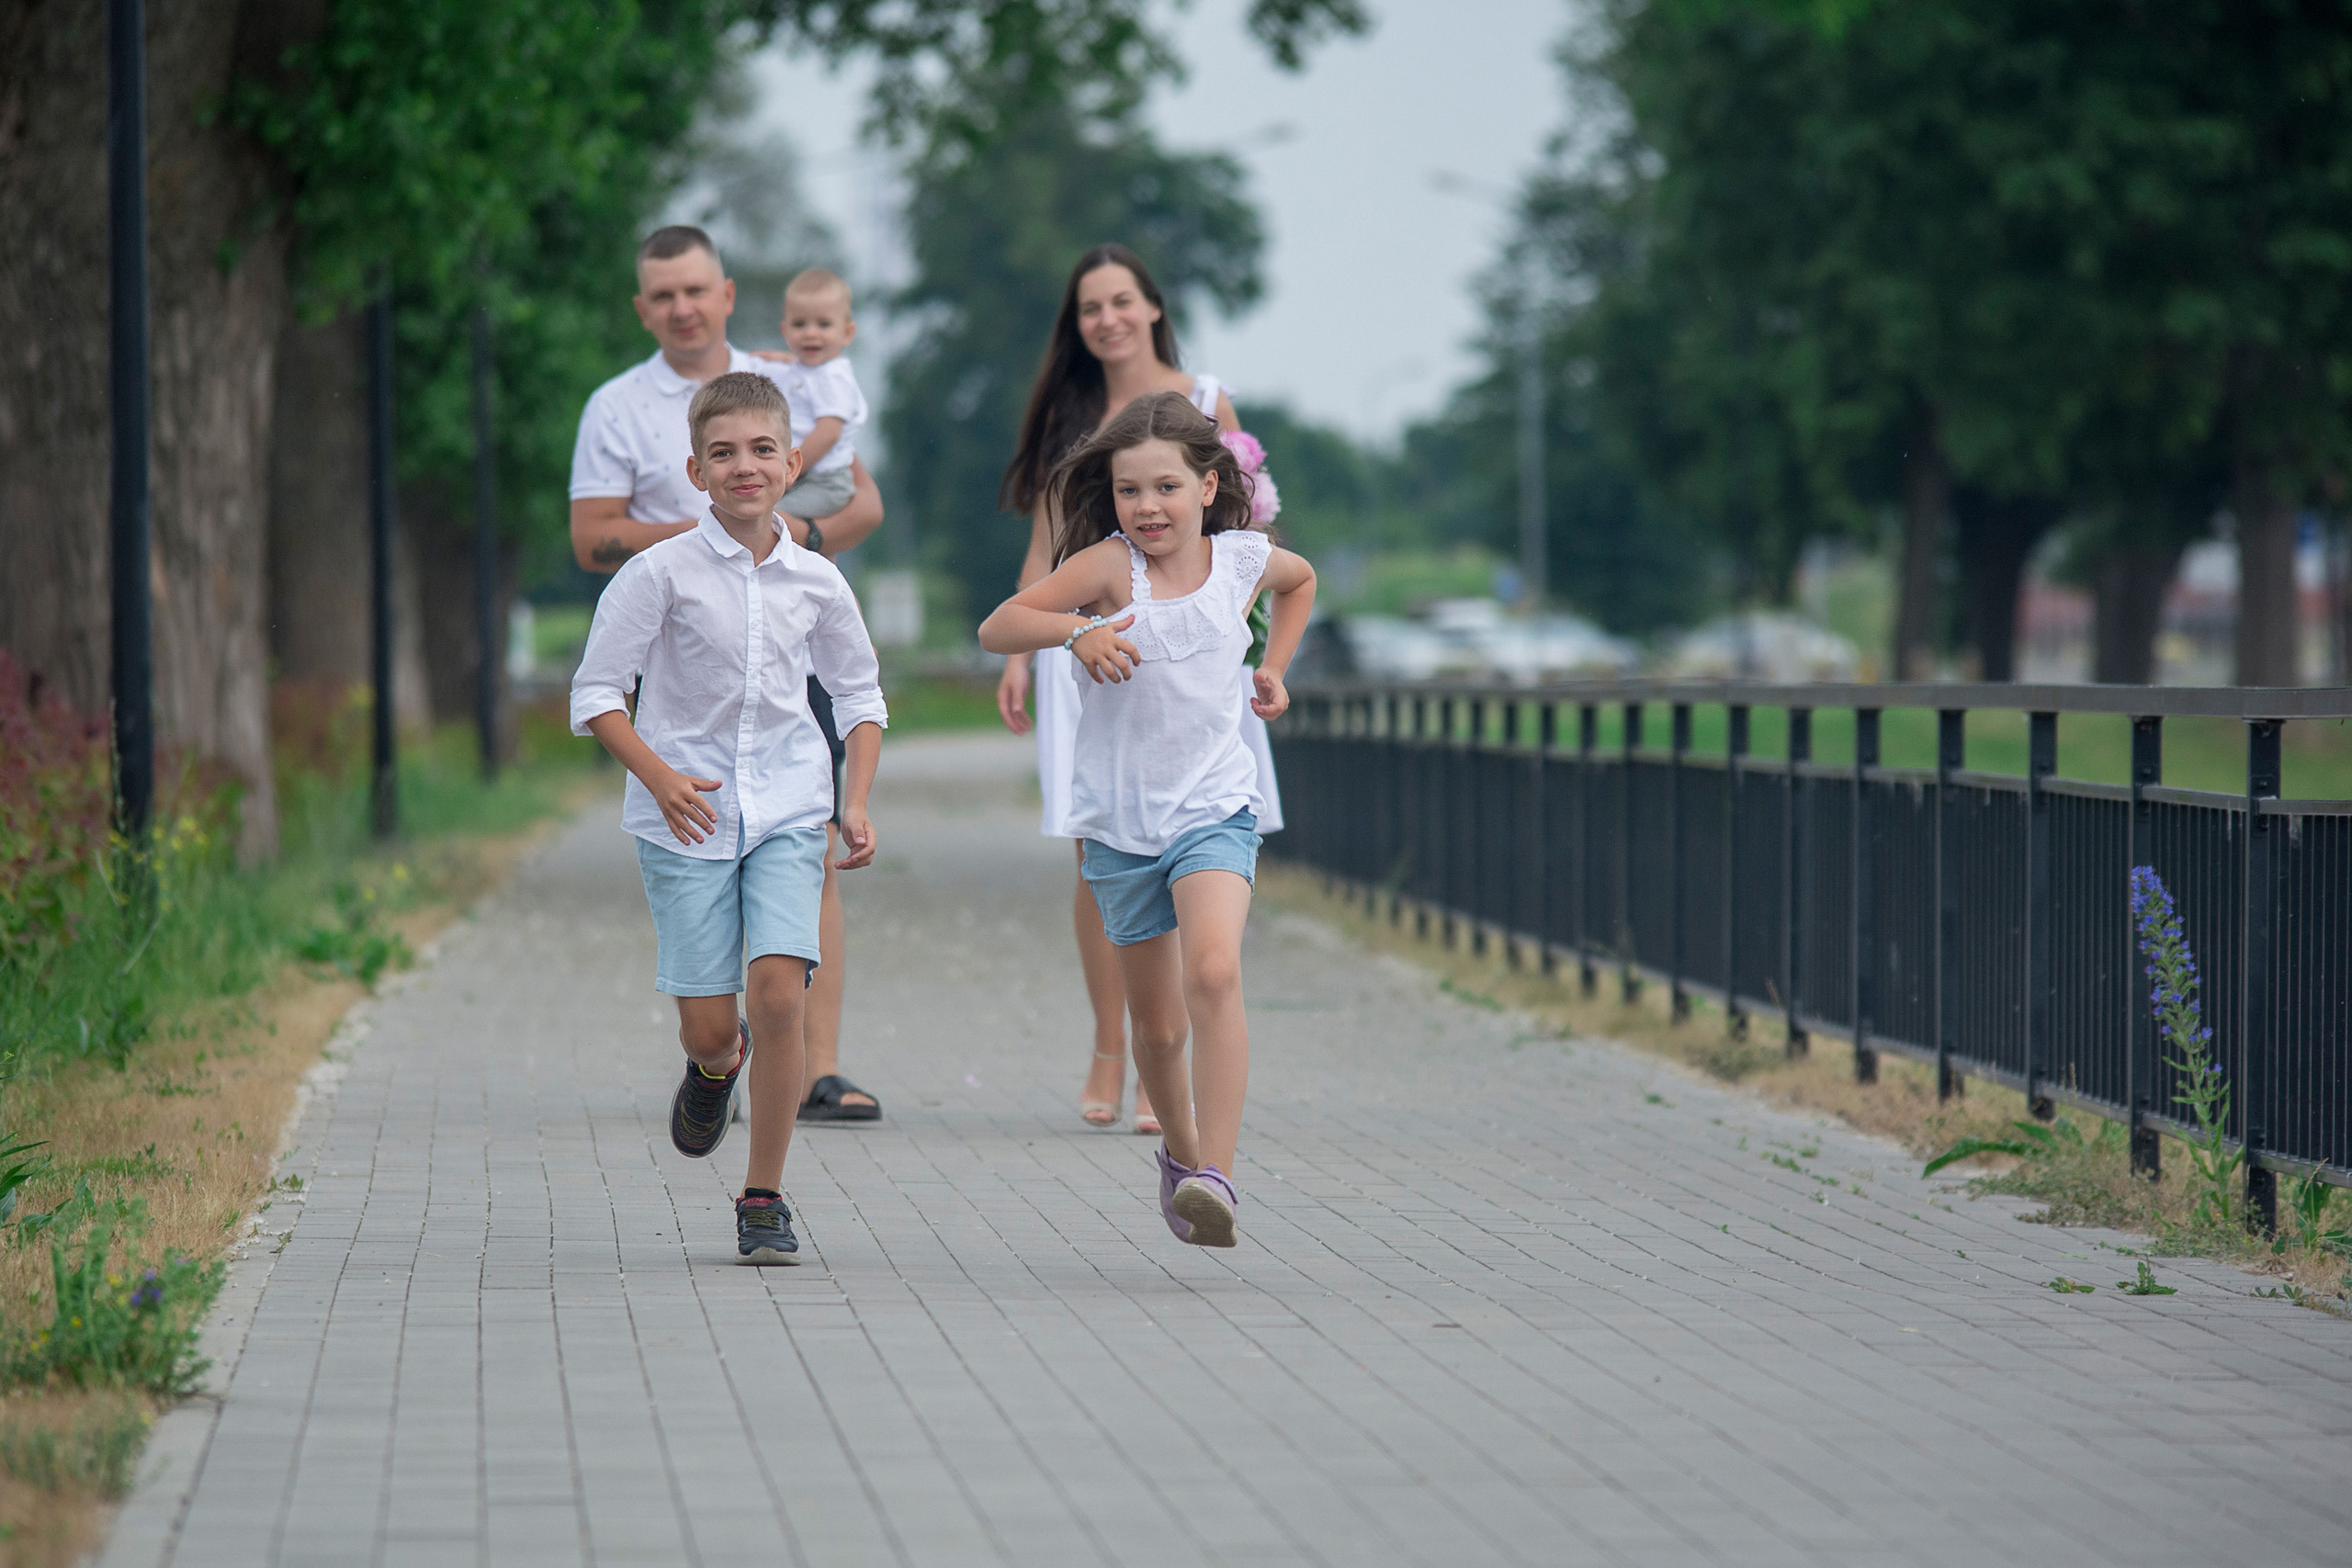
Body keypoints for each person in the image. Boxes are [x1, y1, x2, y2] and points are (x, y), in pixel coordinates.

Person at [978, 391, 1316, 1247]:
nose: (1147, 506)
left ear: (1208, 487)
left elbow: (1301, 580)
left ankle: (1218, 1176)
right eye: (1131, 491)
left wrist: (1273, 667)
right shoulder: (1105, 566)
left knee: (1213, 972)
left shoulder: (1242, 561)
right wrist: (1071, 636)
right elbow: (998, 625)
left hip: (1213, 808)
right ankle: (1181, 1154)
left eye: (1166, 487)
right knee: (1157, 1031)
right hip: (1122, 826)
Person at [570, 224, 884, 1123]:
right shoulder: (617, 407)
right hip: (680, 638)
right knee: (717, 860)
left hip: (788, 619)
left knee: (805, 835)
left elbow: (861, 501)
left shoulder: (783, 380)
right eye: (662, 295)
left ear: (726, 294)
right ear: (643, 309)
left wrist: (786, 549)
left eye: (695, 290)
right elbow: (592, 535)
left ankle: (814, 1063)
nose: (681, 307)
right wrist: (708, 548)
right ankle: (718, 1050)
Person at [995, 243, 1283, 1134]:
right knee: (1102, 844)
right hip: (1094, 640)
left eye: (1121, 301)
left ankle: (1171, 1058)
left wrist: (1257, 642)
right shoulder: (1071, 415)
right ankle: (1110, 1048)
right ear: (1076, 325)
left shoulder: (1205, 400)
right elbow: (1046, 551)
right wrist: (1024, 654)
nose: (1107, 319)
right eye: (1090, 308)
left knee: (1197, 833)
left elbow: (1250, 519)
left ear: (1152, 306)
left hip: (1195, 645)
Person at [759, 268, 868, 525]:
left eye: (823, 324)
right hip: (807, 475)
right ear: (785, 331)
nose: (810, 333)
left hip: (826, 482)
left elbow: (828, 432)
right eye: (799, 324)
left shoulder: (833, 378)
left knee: (768, 517)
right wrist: (781, 359)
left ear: (847, 333)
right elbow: (802, 371)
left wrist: (788, 471)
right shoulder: (811, 369)